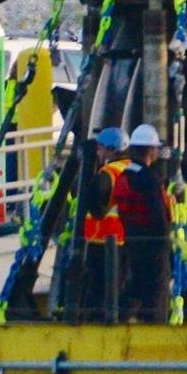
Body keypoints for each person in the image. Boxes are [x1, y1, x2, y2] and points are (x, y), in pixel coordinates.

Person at [114, 122, 175, 325]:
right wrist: (167, 242)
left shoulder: (125, 174)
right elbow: (157, 214)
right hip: (154, 245)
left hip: (132, 241)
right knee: (156, 292)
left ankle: (115, 317)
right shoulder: (149, 178)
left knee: (136, 286)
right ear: (149, 150)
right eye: (156, 148)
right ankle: (154, 328)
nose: (158, 151)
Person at [67, 126, 127, 322]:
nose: (98, 153)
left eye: (101, 149)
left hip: (102, 243)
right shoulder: (130, 167)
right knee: (116, 292)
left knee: (98, 294)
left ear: (111, 150)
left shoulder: (108, 174)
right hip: (123, 242)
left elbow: (94, 205)